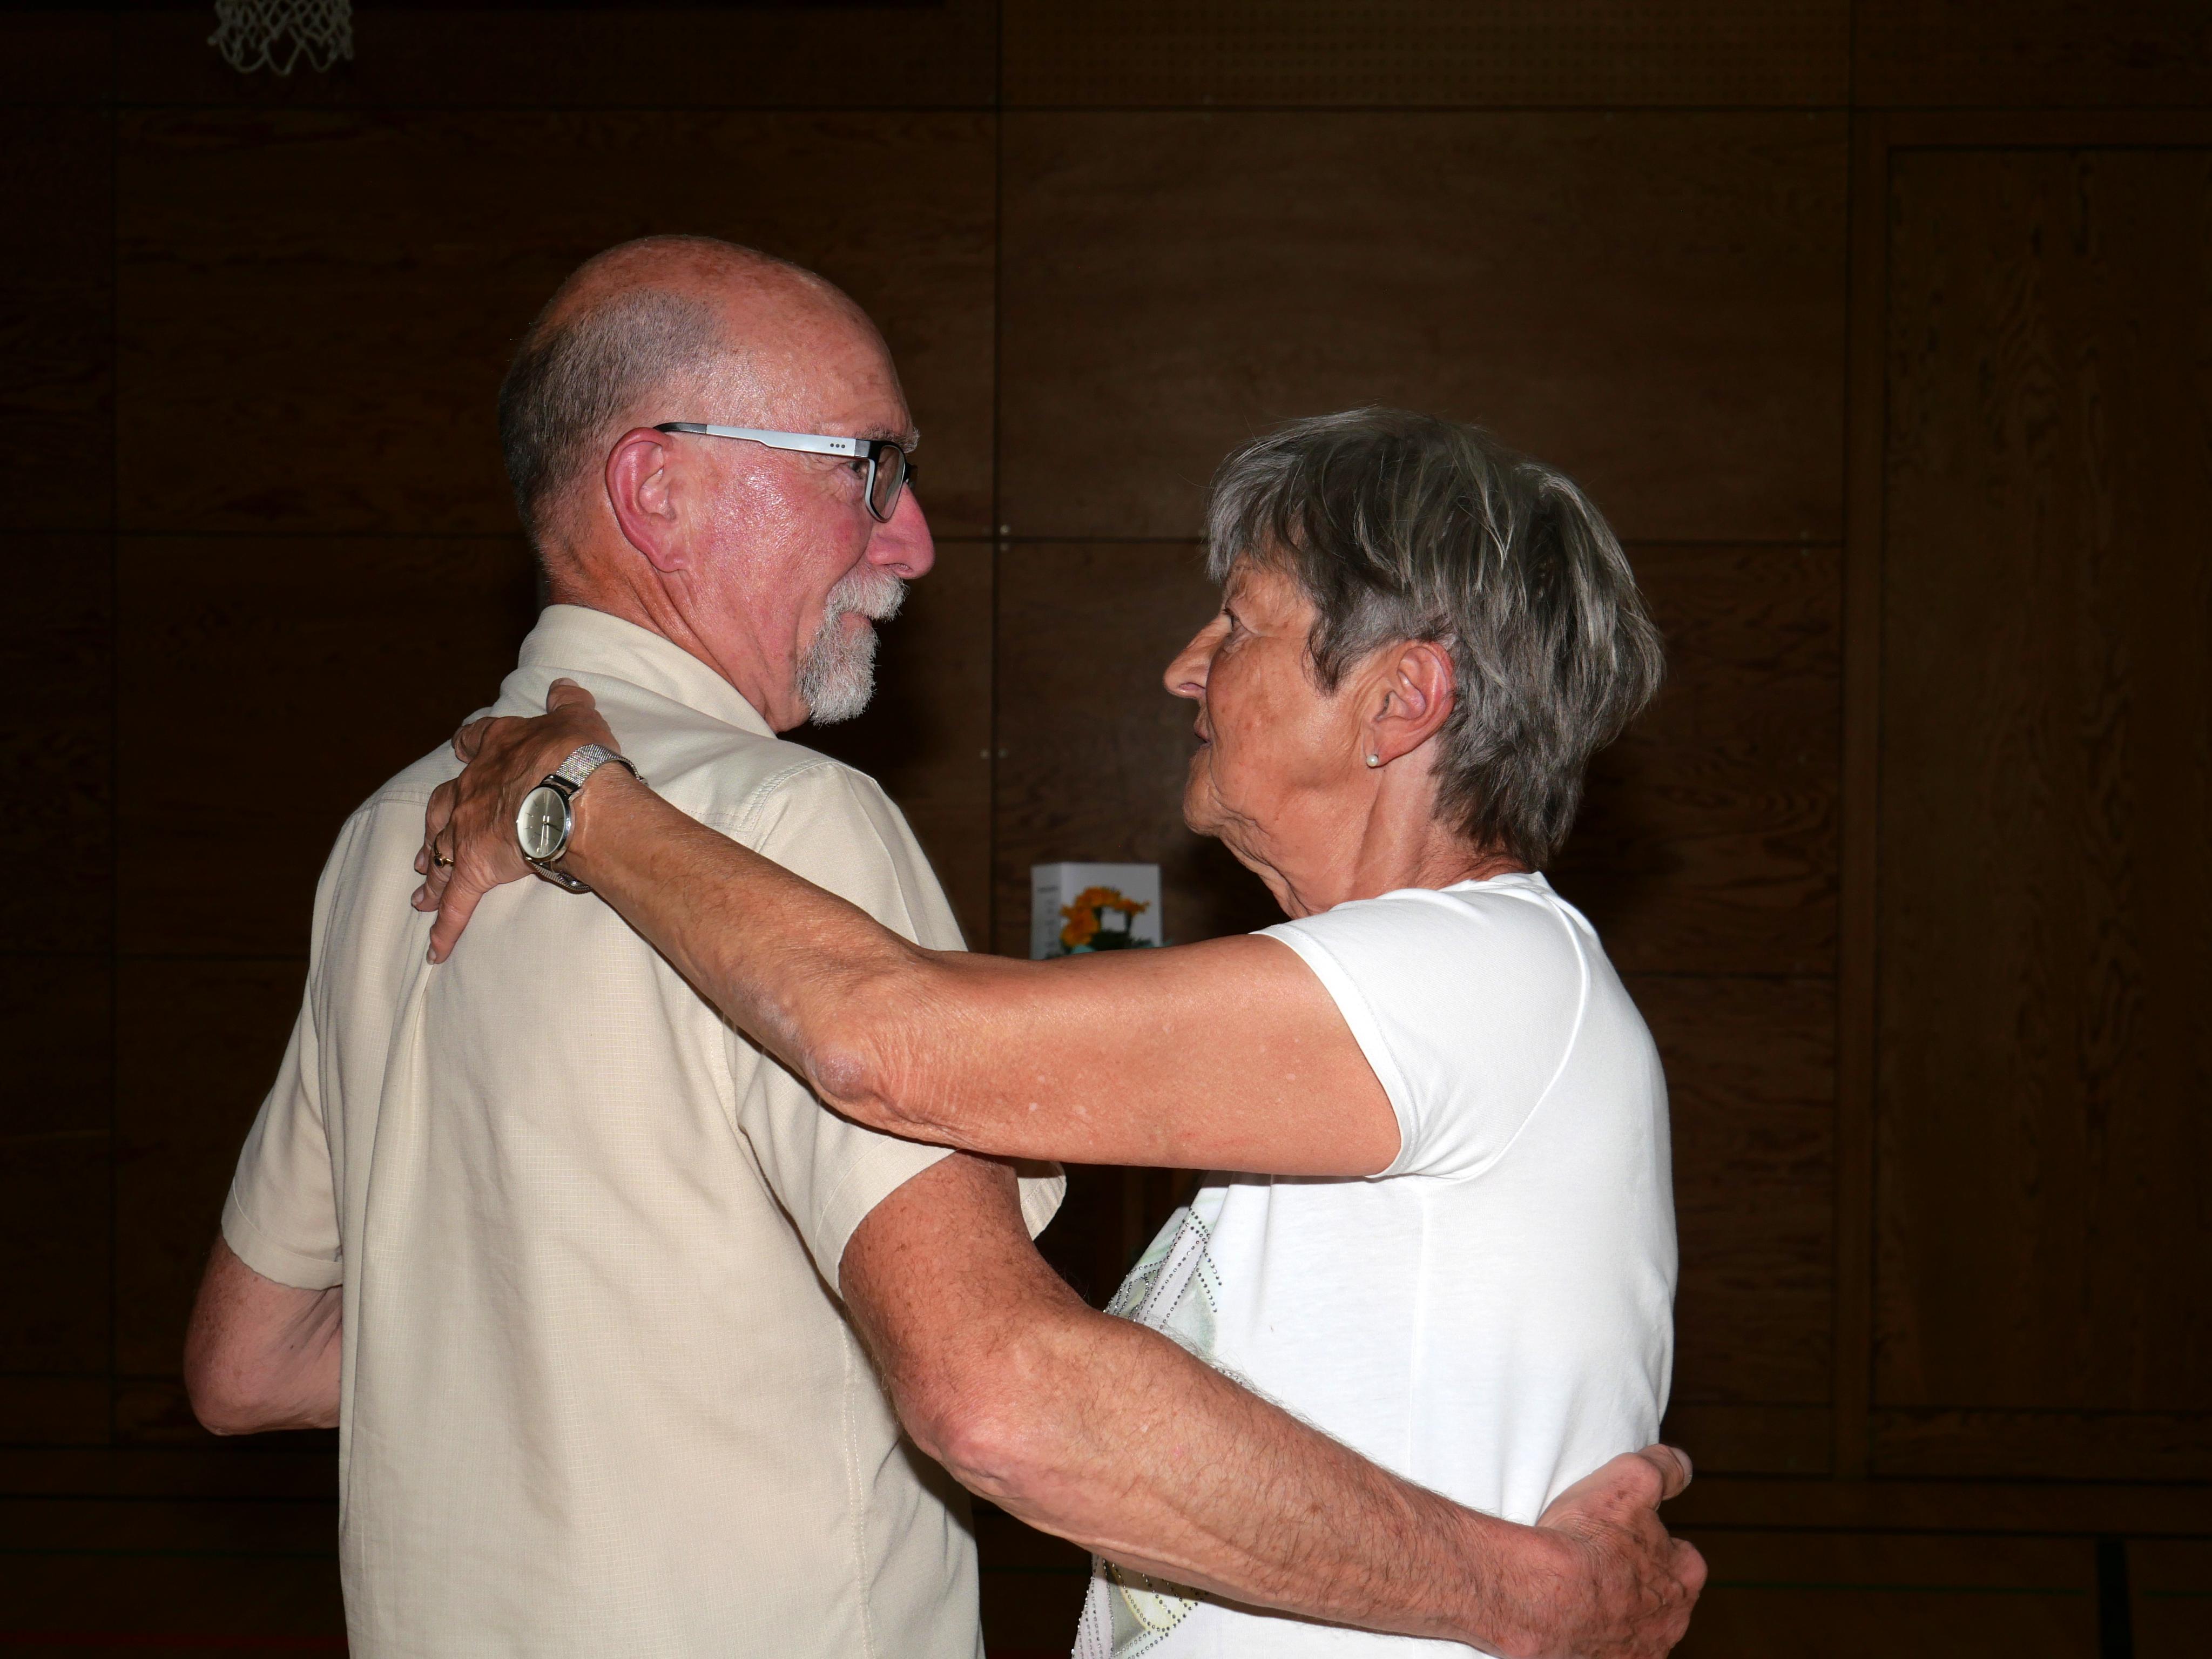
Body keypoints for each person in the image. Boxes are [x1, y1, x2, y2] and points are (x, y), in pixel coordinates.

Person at [185, 241, 1702, 1659]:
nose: (1183, 668)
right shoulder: (789, 823)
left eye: (1236, 623)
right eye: (869, 469)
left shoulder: (398, 832)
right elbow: (991, 1363)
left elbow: (890, 1035)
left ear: (1402, 702)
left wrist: (583, 804)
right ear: (659, 487)